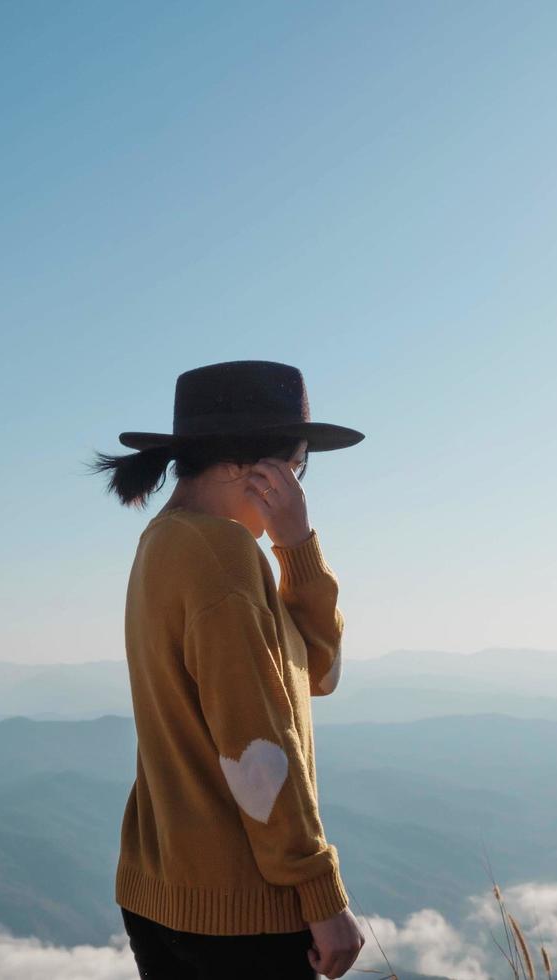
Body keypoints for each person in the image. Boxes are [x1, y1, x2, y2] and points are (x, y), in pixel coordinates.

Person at [85, 360, 367, 979]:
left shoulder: (165, 540)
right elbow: (256, 743)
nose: (299, 488)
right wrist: (322, 895)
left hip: (162, 894)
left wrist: (296, 549)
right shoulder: (223, 553)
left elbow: (314, 671)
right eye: (297, 467)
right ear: (251, 468)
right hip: (238, 916)